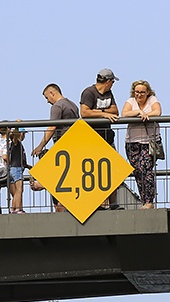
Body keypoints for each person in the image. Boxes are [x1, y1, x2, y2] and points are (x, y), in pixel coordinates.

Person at [32, 83, 79, 210]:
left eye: (47, 98)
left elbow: (52, 127)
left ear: (52, 93)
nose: (47, 101)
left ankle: (42, 184)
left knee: (56, 173)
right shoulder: (73, 105)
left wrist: (40, 146)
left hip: (63, 148)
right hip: (75, 146)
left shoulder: (57, 106)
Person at [80, 69, 120, 209]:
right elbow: (84, 112)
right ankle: (98, 203)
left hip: (107, 137)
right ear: (108, 82)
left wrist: (97, 112)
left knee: (112, 169)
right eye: (113, 82)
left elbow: (115, 111)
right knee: (95, 171)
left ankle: (113, 203)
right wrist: (103, 114)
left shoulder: (109, 94)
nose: (113, 85)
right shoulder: (89, 92)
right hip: (92, 139)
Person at [121, 80, 162, 208]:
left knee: (146, 168)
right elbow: (124, 114)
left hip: (148, 142)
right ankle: (145, 200)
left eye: (142, 92)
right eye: (137, 92)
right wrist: (138, 113)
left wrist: (146, 114)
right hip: (132, 142)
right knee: (138, 171)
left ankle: (149, 200)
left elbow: (157, 111)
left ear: (147, 92)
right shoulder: (131, 102)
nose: (139, 95)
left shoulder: (152, 100)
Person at [7, 127, 27, 214]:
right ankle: (18, 208)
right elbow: (15, 136)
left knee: (15, 192)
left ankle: (13, 209)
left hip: (13, 168)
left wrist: (28, 166)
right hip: (16, 169)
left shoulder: (15, 145)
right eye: (24, 134)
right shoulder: (16, 143)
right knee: (19, 189)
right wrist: (17, 126)